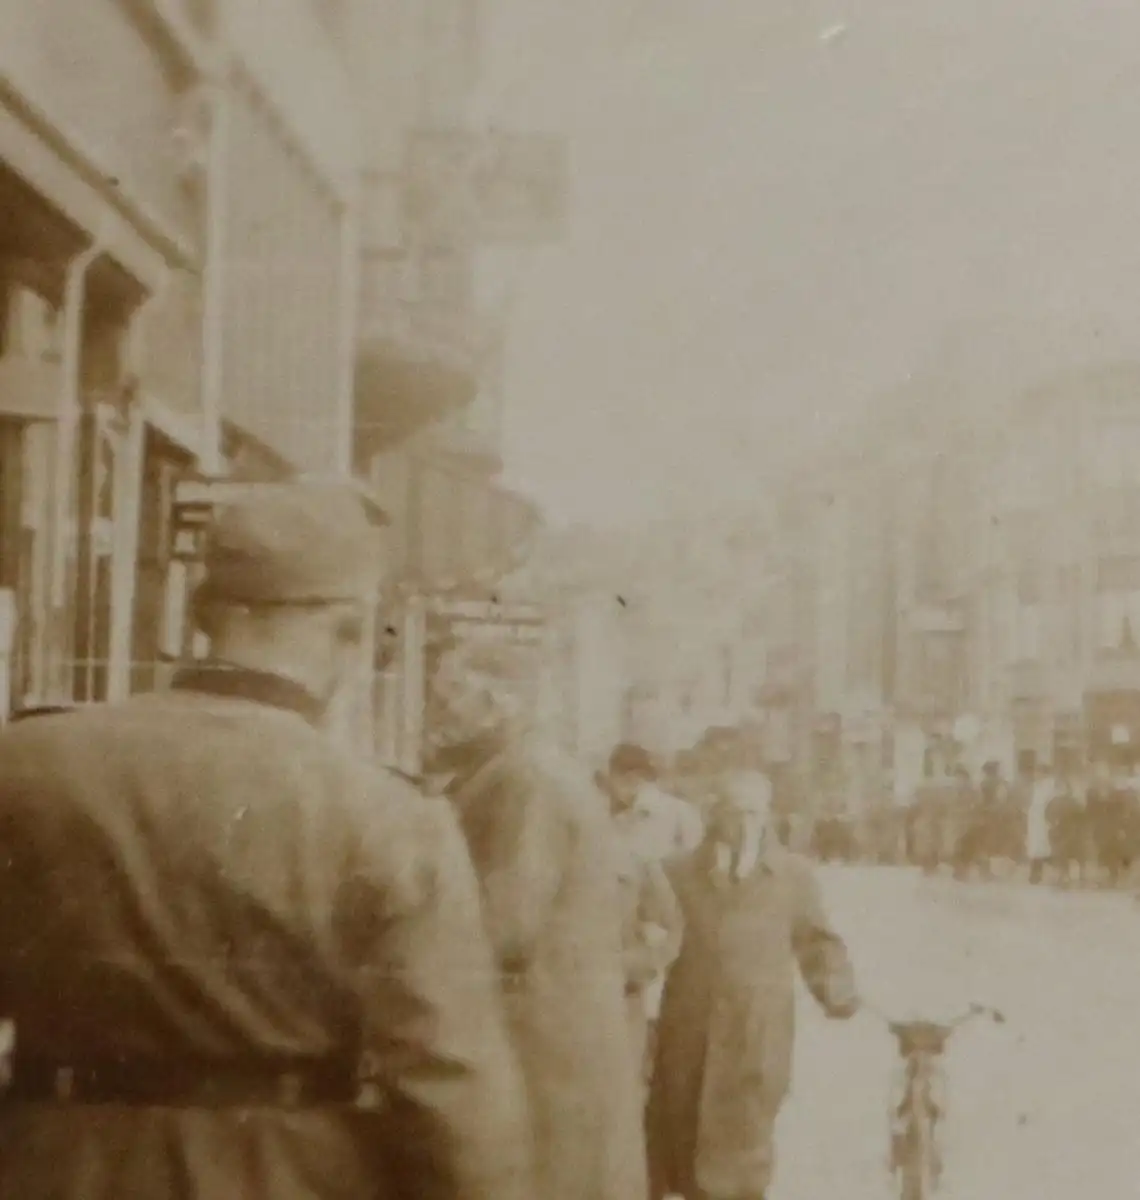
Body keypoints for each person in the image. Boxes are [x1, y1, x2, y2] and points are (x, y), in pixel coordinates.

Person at [0, 483, 531, 1200]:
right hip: (286, 1173)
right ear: (347, 631)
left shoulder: (30, 765)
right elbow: (450, 1090)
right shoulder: (385, 816)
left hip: (49, 1167)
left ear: (201, 617)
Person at [427, 640, 648, 1200]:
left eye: (453, 691)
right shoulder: (529, 770)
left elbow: (502, 926)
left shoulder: (523, 781)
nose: (438, 706)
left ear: (500, 702)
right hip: (556, 1055)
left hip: (539, 1060)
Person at [647, 769, 859, 1200]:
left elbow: (817, 942)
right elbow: (649, 940)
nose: (745, 824)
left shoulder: (792, 878)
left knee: (744, 1152)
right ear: (714, 815)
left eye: (754, 813)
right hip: (688, 1035)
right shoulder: (676, 874)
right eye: (735, 812)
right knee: (683, 1144)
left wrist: (835, 986)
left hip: (756, 1036)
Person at [606, 742, 705, 861]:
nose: (612, 789)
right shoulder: (684, 809)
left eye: (614, 779)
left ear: (631, 778)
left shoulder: (625, 819)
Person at [1026, 762, 1057, 884]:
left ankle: (1046, 874)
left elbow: (1051, 803)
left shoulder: (1050, 786)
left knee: (1044, 848)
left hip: (1045, 820)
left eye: (1039, 772)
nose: (1036, 775)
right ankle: (1035, 875)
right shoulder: (1036, 786)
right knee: (1035, 848)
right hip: (1035, 820)